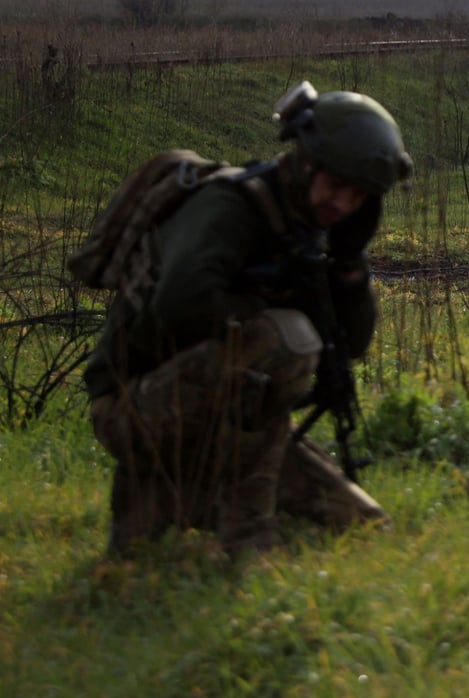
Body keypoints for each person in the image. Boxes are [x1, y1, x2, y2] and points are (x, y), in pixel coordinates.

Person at [83, 82, 414, 558]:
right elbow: (177, 308)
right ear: (305, 160)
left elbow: (352, 345)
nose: (342, 204)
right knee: (287, 338)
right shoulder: (230, 208)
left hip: (225, 412)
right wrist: (264, 312)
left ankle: (183, 496)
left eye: (358, 197)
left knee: (361, 525)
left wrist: (348, 266)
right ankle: (244, 537)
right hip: (131, 407)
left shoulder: (306, 233)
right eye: (336, 184)